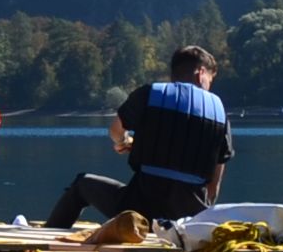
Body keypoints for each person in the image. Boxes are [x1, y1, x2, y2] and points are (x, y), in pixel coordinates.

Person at [43, 44, 232, 230]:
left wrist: (123, 142)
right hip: (187, 220)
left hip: (138, 211)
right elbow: (214, 185)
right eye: (210, 80)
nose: (208, 88)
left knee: (82, 184)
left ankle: (50, 233)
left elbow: (115, 130)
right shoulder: (220, 114)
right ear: (201, 73)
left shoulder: (150, 94)